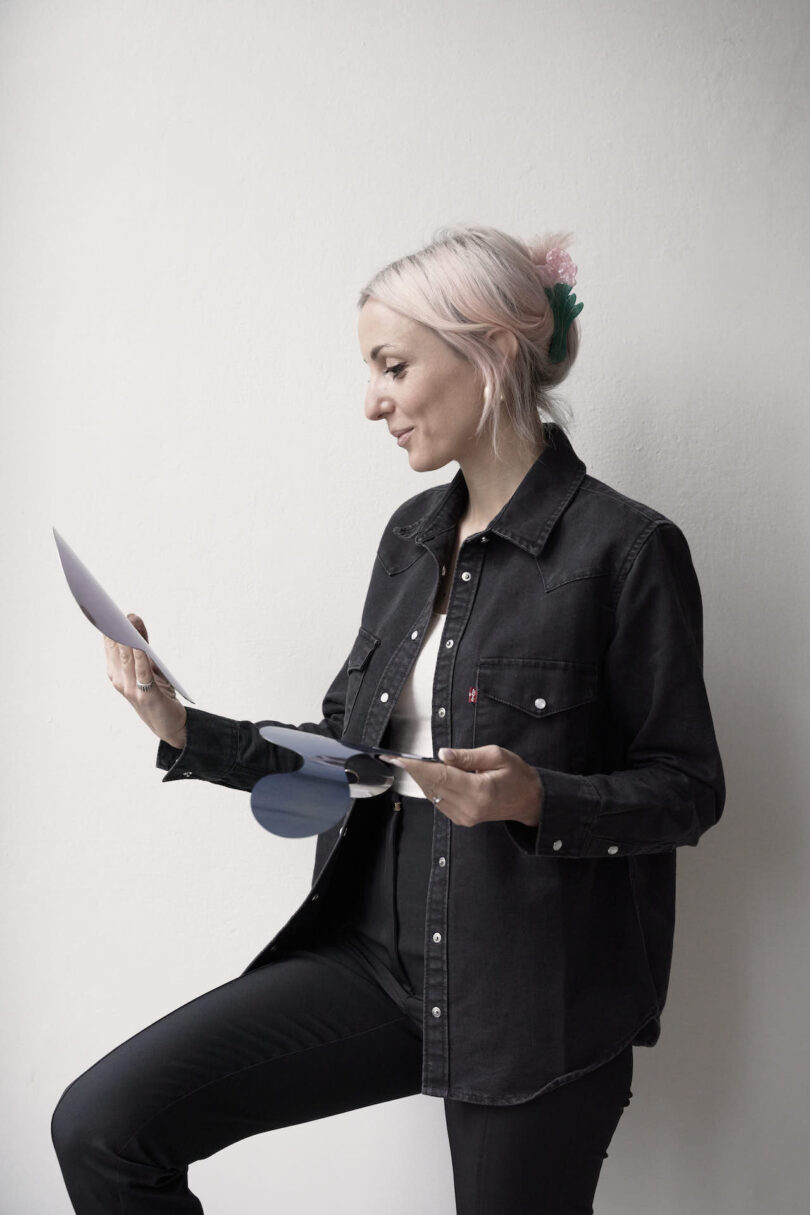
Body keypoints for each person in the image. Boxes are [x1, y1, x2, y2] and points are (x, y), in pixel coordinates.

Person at [51, 224, 726, 1214]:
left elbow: (688, 789)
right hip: (374, 967)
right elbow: (348, 763)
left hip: (534, 1000)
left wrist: (541, 795)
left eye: (392, 367)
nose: (371, 402)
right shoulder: (411, 537)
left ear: (492, 350)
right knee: (104, 1129)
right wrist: (182, 723)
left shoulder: (627, 550)